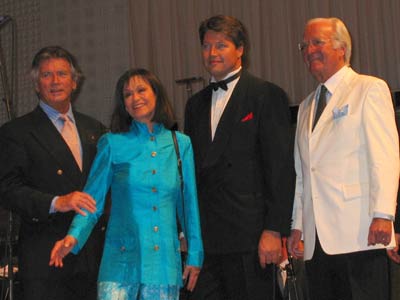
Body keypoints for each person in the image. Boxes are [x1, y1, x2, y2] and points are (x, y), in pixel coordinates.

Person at [49, 68, 204, 300]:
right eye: (127, 94)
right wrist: (74, 236)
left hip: (163, 264)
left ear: (156, 94)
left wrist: (194, 254)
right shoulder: (112, 143)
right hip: (120, 263)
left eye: (141, 90)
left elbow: (188, 206)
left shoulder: (180, 144)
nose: (135, 98)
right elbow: (92, 200)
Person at [288, 17, 399, 300]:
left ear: (342, 48)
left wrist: (383, 215)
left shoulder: (369, 88)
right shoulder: (304, 107)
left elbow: (384, 156)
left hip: (359, 231)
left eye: (317, 42)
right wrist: (297, 225)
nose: (308, 50)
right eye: (304, 44)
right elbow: (304, 173)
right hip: (316, 241)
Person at [184, 15, 294, 299]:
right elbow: (193, 174)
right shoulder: (194, 105)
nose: (212, 53)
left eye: (221, 45)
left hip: (252, 236)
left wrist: (273, 229)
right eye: (207, 46)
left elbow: (280, 169)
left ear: (240, 48)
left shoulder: (266, 95)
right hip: (208, 239)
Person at [0, 46, 107, 300]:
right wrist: (57, 202)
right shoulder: (16, 132)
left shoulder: (96, 129)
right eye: (47, 75)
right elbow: (7, 190)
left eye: (62, 74)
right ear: (36, 84)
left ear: (74, 81)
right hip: (45, 257)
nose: (55, 81)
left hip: (93, 254)